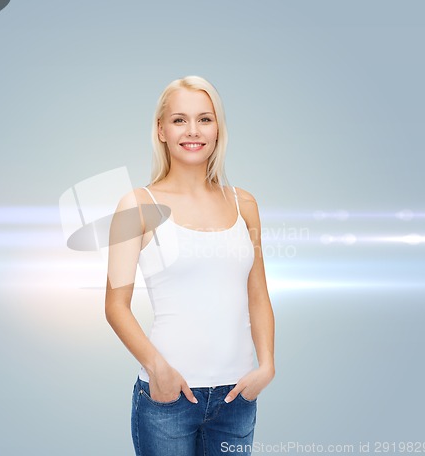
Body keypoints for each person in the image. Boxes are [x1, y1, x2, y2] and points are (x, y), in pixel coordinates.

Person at [105, 75, 275, 456]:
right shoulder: (136, 205)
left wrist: (266, 366)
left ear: (218, 129)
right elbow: (115, 305)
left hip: (237, 397)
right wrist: (157, 369)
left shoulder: (243, 203)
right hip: (168, 397)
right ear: (161, 129)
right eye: (179, 120)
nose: (193, 131)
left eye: (205, 119)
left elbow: (258, 293)